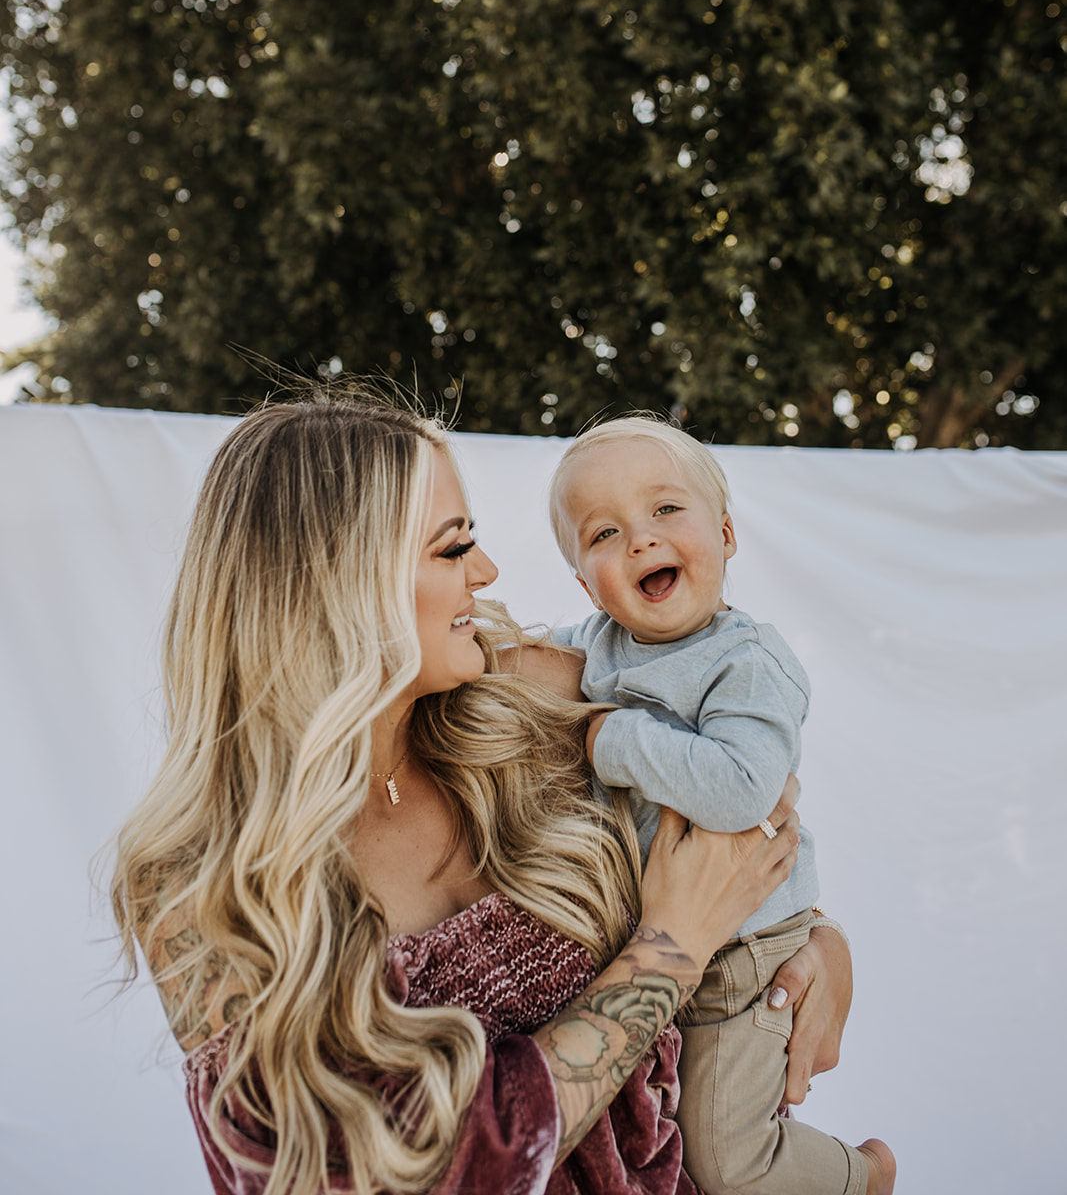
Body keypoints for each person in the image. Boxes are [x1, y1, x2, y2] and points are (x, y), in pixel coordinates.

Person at [111, 395, 858, 1195]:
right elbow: (385, 1175)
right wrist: (669, 950)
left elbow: (737, 795)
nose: (487, 573)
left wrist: (813, 944)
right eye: (452, 547)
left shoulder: (524, 699)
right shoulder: (197, 892)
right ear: (342, 583)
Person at [547, 414, 895, 1195]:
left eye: (666, 510)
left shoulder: (745, 662)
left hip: (746, 956)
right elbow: (518, 666)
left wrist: (610, 741)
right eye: (603, 532)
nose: (640, 538)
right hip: (663, 948)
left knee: (725, 1163)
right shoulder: (595, 643)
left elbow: (742, 792)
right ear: (582, 581)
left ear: (728, 535)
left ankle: (861, 1177)